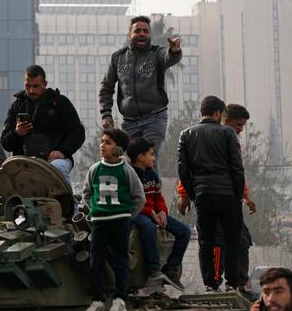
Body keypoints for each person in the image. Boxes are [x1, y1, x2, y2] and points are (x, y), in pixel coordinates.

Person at [177, 103, 255, 290]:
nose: (240, 130)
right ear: (223, 117)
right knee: (218, 241)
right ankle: (218, 282)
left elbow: (185, 168)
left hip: (209, 194)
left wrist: (245, 196)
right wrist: (185, 194)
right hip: (224, 196)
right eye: (238, 125)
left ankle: (234, 283)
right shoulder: (224, 135)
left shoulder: (193, 134)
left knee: (239, 240)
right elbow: (235, 169)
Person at [99, 15, 182, 163]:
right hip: (129, 122)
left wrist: (174, 51)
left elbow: (168, 57)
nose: (142, 33)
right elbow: (106, 87)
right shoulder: (118, 58)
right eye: (138, 30)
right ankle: (137, 187)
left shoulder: (157, 53)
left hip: (154, 118)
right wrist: (106, 113)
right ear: (130, 34)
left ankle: (152, 187)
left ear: (149, 35)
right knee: (130, 160)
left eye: (146, 31)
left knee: (147, 157)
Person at [82, 128, 145, 311]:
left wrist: (127, 215)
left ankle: (120, 299)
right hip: (99, 222)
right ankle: (98, 299)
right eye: (102, 141)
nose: (102, 145)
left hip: (120, 221)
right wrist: (95, 210)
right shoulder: (95, 169)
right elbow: (87, 193)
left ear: (119, 149)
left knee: (121, 261)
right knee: (96, 260)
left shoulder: (127, 170)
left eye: (108, 142)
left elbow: (139, 197)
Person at [1, 64, 85, 186]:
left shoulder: (60, 103)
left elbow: (78, 132)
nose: (31, 90)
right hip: (24, 163)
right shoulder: (17, 106)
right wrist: (17, 133)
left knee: (57, 168)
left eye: (36, 86)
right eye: (28, 86)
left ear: (45, 84)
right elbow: (5, 142)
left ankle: (69, 204)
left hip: (55, 160)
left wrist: (62, 151)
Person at [126, 137, 190, 290]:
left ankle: (171, 268)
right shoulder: (129, 175)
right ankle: (153, 269)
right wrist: (150, 213)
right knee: (149, 227)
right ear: (141, 157)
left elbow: (158, 196)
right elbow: (131, 201)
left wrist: (162, 211)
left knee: (184, 232)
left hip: (155, 213)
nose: (154, 158)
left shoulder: (152, 175)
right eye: (151, 154)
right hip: (138, 213)